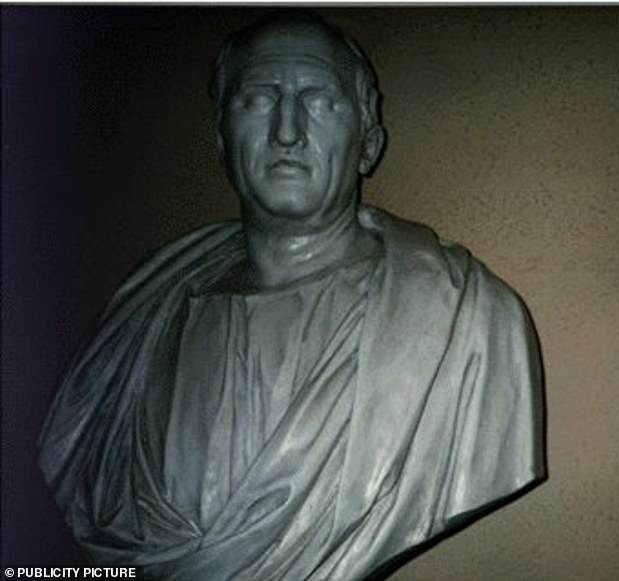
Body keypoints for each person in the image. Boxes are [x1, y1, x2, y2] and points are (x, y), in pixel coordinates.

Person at [39, 11, 545, 581]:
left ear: (368, 142)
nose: (287, 130)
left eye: (320, 101)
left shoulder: (470, 324)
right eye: (258, 98)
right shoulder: (137, 316)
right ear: (220, 137)